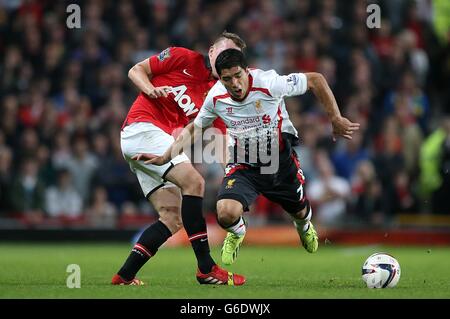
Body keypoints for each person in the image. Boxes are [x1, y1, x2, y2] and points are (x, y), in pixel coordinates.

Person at [142, 49, 360, 265]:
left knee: (300, 212)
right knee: (225, 213)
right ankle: (237, 232)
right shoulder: (216, 97)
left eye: (238, 75)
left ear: (246, 71)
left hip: (279, 162)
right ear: (220, 78)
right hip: (243, 164)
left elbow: (316, 79)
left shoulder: (268, 82)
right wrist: (165, 157)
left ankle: (303, 227)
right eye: (227, 79)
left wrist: (336, 118)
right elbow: (195, 128)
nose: (235, 84)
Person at [111, 33, 246, 286]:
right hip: (143, 128)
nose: (224, 58)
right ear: (211, 51)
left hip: (156, 143)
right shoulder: (181, 56)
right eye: (223, 51)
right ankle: (206, 268)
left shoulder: (217, 97)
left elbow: (221, 144)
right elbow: (135, 70)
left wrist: (235, 182)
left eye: (232, 56)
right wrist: (151, 90)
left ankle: (124, 276)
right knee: (194, 183)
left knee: (172, 218)